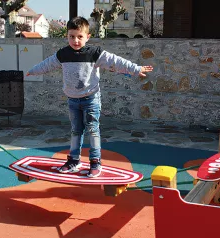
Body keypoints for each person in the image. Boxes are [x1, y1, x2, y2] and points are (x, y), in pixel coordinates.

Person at [26, 16, 153, 178]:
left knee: (93, 130)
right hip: (73, 100)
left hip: (91, 99)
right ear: (67, 36)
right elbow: (48, 64)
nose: (76, 40)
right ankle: (73, 160)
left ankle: (95, 162)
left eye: (80, 37)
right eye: (72, 36)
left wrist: (135, 69)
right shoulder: (63, 54)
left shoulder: (95, 53)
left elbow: (115, 61)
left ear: (88, 36)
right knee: (76, 130)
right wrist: (33, 70)